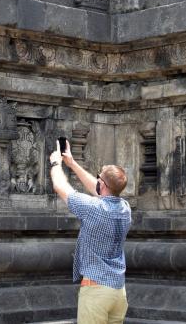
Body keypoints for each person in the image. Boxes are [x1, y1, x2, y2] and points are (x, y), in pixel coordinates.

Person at [49, 139, 132, 324]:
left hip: (96, 290)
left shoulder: (94, 208)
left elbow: (60, 186)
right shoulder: (125, 209)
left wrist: (56, 162)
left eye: (99, 177)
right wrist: (72, 163)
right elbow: (101, 189)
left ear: (102, 183)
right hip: (118, 292)